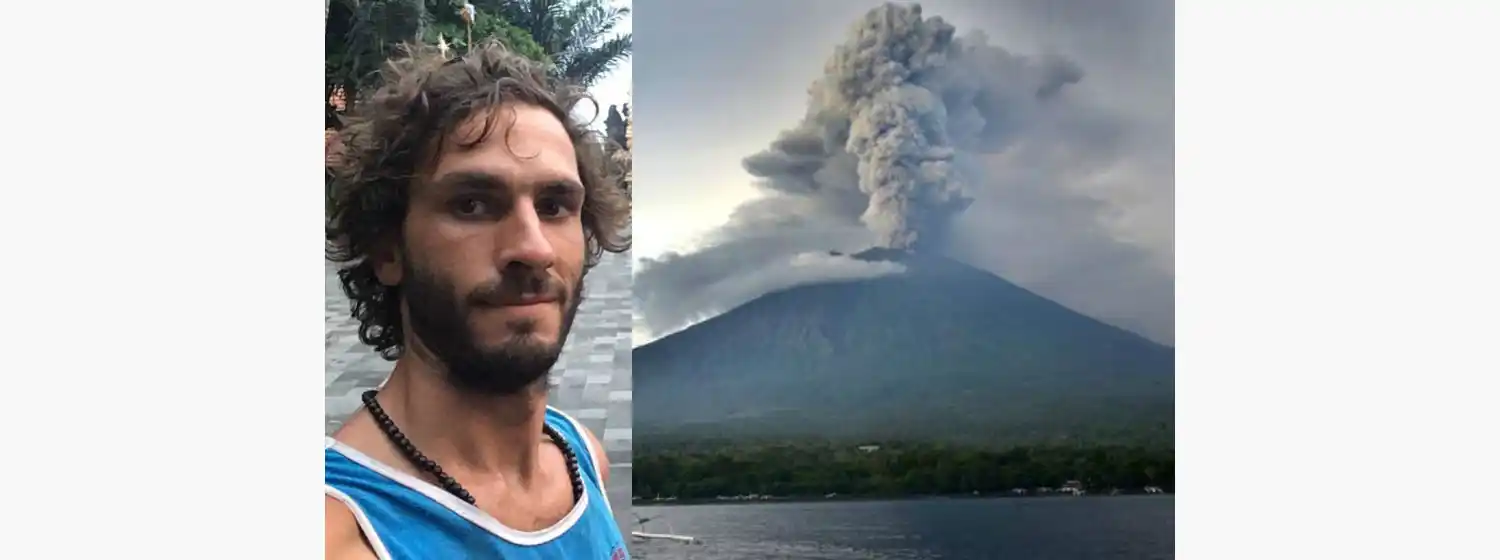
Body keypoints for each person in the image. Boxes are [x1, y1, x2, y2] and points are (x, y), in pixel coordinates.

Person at [323, 41, 631, 559]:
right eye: (472, 205)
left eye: (555, 205)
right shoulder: (342, 535)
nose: (532, 247)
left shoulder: (579, 458)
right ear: (387, 249)